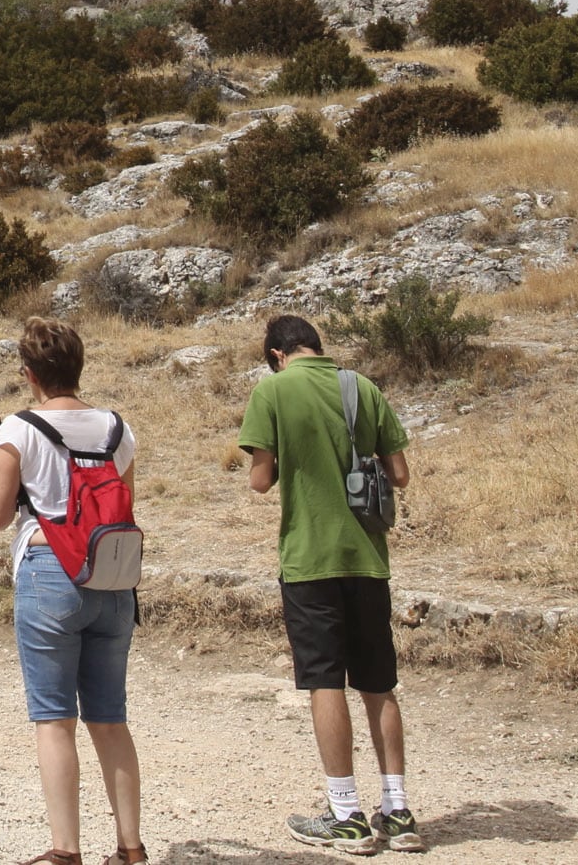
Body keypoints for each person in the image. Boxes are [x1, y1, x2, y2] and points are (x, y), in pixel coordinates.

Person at [240, 314, 419, 856]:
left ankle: (345, 815)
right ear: (315, 346)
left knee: (324, 681)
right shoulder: (361, 386)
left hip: (310, 558)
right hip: (367, 558)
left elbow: (260, 481)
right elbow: (401, 474)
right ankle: (399, 810)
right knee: (378, 683)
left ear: (275, 354)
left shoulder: (272, 392)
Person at [0, 318, 147, 865]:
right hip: (111, 575)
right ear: (79, 366)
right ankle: (130, 848)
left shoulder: (18, 429)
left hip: (48, 570)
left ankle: (65, 850)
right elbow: (122, 502)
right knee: (110, 717)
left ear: (29, 374)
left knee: (54, 718)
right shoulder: (117, 430)